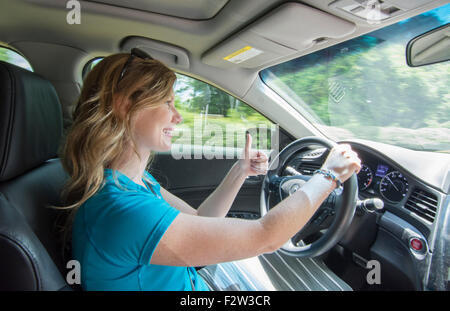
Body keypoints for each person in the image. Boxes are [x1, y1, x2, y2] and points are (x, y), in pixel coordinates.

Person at [60, 48, 361, 291]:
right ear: (124, 105)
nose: (177, 116)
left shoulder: (133, 183)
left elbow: (200, 220)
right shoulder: (123, 209)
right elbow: (265, 237)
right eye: (167, 102)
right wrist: (329, 176)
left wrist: (240, 171)